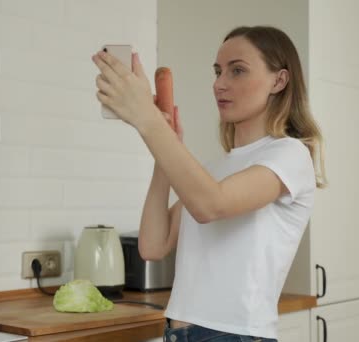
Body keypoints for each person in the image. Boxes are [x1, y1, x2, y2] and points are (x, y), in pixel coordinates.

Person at [91, 25, 326, 342]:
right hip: (179, 333)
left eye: (237, 70)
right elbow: (152, 244)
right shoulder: (215, 171)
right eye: (218, 72)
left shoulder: (290, 155)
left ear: (279, 80)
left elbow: (211, 205)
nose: (220, 84)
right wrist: (165, 145)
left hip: (233, 336)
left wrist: (146, 119)